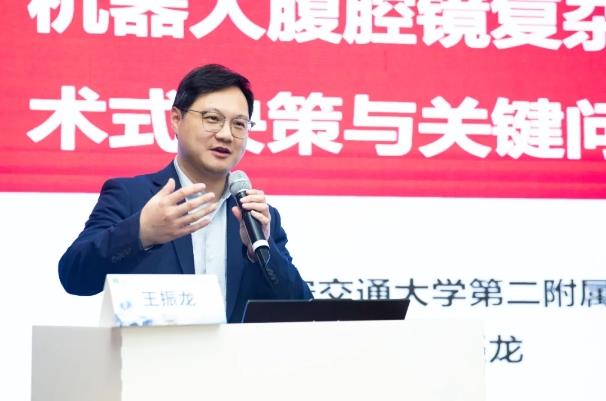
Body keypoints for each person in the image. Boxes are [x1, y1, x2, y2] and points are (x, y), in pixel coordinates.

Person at [59, 64, 312, 323]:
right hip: (153, 350)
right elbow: (74, 277)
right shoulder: (131, 196)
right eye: (212, 119)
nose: (226, 135)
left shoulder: (257, 216)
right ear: (176, 119)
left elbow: (302, 308)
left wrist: (259, 249)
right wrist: (142, 232)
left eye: (239, 124)